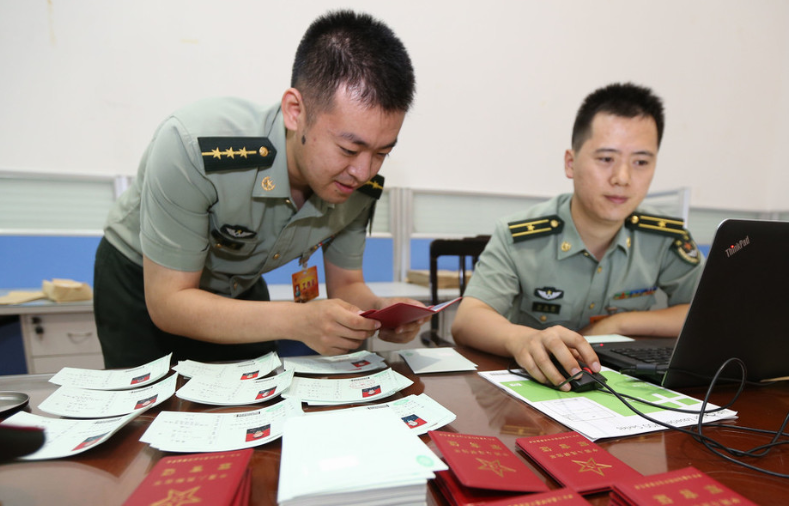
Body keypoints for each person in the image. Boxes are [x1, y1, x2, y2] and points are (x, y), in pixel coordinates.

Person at [94, 10, 426, 369]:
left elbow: (346, 283)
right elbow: (169, 303)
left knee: (259, 395)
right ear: (295, 111)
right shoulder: (195, 147)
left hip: (238, 282)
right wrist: (299, 321)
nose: (363, 172)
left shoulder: (358, 187)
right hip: (143, 281)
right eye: (348, 149)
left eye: (382, 153)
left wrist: (380, 312)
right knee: (153, 400)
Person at [452, 83, 703, 391]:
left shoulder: (665, 236)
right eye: (606, 159)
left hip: (628, 387)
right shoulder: (520, 235)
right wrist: (523, 339)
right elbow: (468, 320)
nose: (622, 178)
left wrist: (619, 324)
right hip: (540, 387)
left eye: (640, 162)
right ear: (571, 163)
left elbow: (707, 313)